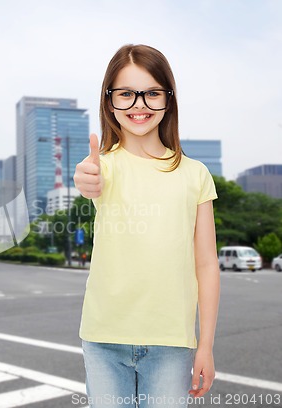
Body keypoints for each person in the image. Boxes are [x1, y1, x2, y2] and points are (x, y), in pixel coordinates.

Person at [73, 44, 220, 407]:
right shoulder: (101, 167)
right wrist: (85, 178)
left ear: (168, 100)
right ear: (109, 102)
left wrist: (207, 346)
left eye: (152, 93)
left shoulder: (195, 174)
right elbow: (88, 180)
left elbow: (206, 264)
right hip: (103, 336)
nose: (139, 104)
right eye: (126, 94)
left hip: (171, 342)